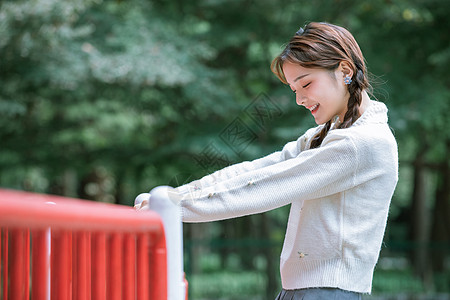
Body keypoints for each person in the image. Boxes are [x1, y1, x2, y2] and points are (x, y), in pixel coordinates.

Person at [137, 22, 398, 299]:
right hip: (309, 290)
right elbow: (258, 170)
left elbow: (267, 186)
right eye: (293, 88)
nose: (299, 99)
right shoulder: (328, 136)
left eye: (306, 83)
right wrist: (173, 196)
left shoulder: (360, 143)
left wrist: (175, 207)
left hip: (327, 292)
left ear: (344, 71)